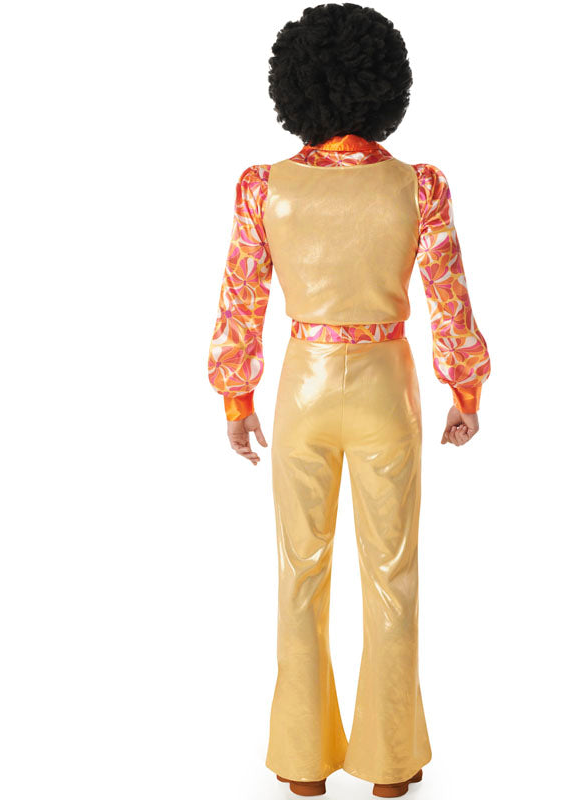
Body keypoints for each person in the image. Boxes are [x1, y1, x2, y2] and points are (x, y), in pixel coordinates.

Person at [208, 4, 490, 796]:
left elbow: (240, 300)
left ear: (295, 88)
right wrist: (464, 386)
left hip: (302, 386)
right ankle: (391, 762)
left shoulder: (264, 188)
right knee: (393, 574)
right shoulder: (419, 187)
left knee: (299, 573)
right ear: (386, 87)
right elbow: (448, 296)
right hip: (386, 389)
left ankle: (303, 763)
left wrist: (236, 398)